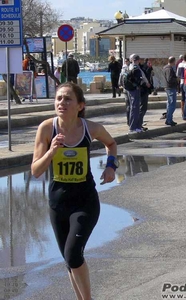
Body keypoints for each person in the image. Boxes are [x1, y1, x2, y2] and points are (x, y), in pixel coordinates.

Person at [31, 82, 118, 300]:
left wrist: (110, 166)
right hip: (58, 204)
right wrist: (51, 152)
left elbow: (112, 144)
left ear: (80, 105)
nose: (62, 103)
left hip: (85, 202)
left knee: (73, 254)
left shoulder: (90, 128)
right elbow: (35, 171)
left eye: (68, 99)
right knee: (69, 260)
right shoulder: (46, 129)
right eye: (59, 98)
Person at [127, 54, 150, 134]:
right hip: (134, 89)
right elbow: (142, 77)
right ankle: (133, 127)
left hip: (130, 89)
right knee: (135, 108)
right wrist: (145, 83)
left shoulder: (128, 67)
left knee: (134, 108)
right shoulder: (135, 68)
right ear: (137, 60)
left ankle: (134, 126)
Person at [162, 56, 178, 126]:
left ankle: (169, 119)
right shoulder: (169, 69)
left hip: (167, 87)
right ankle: (169, 119)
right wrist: (176, 79)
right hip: (170, 87)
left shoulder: (165, 68)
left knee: (169, 104)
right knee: (172, 104)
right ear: (173, 61)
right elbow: (169, 79)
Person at [119, 57, 131, 125]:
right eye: (125, 61)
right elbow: (120, 76)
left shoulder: (130, 68)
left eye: (127, 61)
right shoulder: (123, 68)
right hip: (126, 89)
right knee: (128, 105)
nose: (126, 62)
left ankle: (130, 120)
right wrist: (120, 84)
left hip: (128, 88)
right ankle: (129, 120)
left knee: (129, 105)